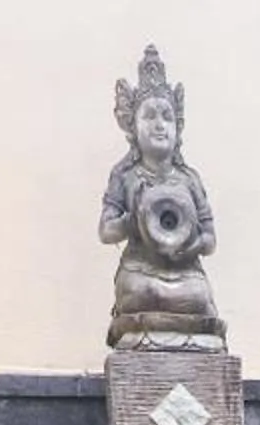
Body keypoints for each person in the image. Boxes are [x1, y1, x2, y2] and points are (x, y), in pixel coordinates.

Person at [100, 46, 224, 348]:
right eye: (150, 116)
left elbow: (210, 239)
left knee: (199, 296)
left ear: (178, 128)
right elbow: (106, 231)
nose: (159, 125)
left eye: (167, 117)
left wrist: (190, 245)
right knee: (139, 294)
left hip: (184, 274)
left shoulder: (188, 179)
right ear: (132, 127)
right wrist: (132, 221)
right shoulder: (125, 176)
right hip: (140, 272)